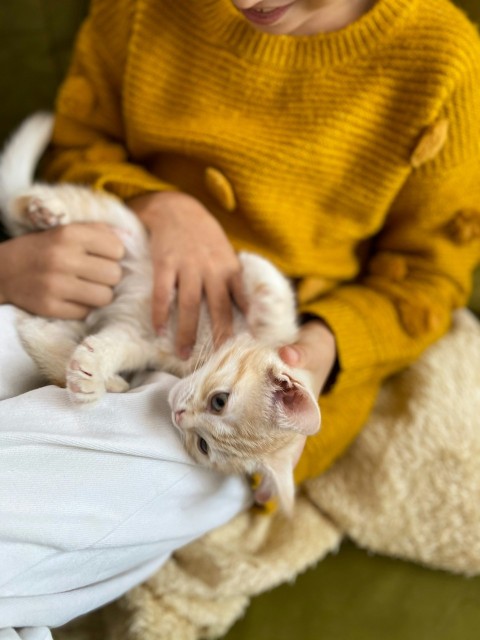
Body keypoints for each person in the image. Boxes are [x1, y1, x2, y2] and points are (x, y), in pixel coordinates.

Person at [1, 0, 479, 636]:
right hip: (109, 279)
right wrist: (161, 204)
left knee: (89, 484)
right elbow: (77, 145)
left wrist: (327, 342)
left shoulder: (443, 59)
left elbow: (427, 278)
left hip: (251, 381)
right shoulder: (143, 12)